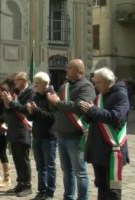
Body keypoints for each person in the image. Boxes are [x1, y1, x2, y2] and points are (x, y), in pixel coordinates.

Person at [47, 59, 96, 200]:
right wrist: (52, 101)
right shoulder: (64, 86)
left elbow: (80, 106)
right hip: (61, 134)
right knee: (66, 170)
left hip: (76, 135)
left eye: (69, 68)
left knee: (80, 172)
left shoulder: (87, 87)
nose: (66, 70)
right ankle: (68, 197)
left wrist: (58, 102)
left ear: (79, 71)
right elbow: (56, 107)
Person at [78, 67, 129, 200]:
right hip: (97, 149)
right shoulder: (100, 96)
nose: (95, 85)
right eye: (95, 82)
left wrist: (93, 110)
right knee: (101, 185)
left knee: (112, 188)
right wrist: (87, 113)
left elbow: (116, 118)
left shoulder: (121, 95)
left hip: (112, 149)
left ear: (108, 82)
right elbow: (94, 117)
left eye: (98, 82)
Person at [1, 72, 35, 197]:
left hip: (23, 129)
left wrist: (11, 102)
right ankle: (20, 183)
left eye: (17, 80)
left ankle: (27, 185)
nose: (14, 83)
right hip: (14, 129)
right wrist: (6, 102)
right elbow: (11, 109)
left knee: (23, 159)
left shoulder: (31, 92)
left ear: (24, 80)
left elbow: (25, 110)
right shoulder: (16, 91)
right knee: (16, 158)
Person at [26, 72, 57, 200]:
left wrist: (37, 110)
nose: (35, 86)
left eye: (37, 83)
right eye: (35, 83)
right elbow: (32, 117)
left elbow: (52, 118)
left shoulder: (52, 97)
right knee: (40, 166)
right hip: (37, 134)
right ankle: (41, 190)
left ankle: (49, 192)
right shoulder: (36, 96)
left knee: (49, 165)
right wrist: (30, 112)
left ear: (45, 84)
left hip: (49, 136)